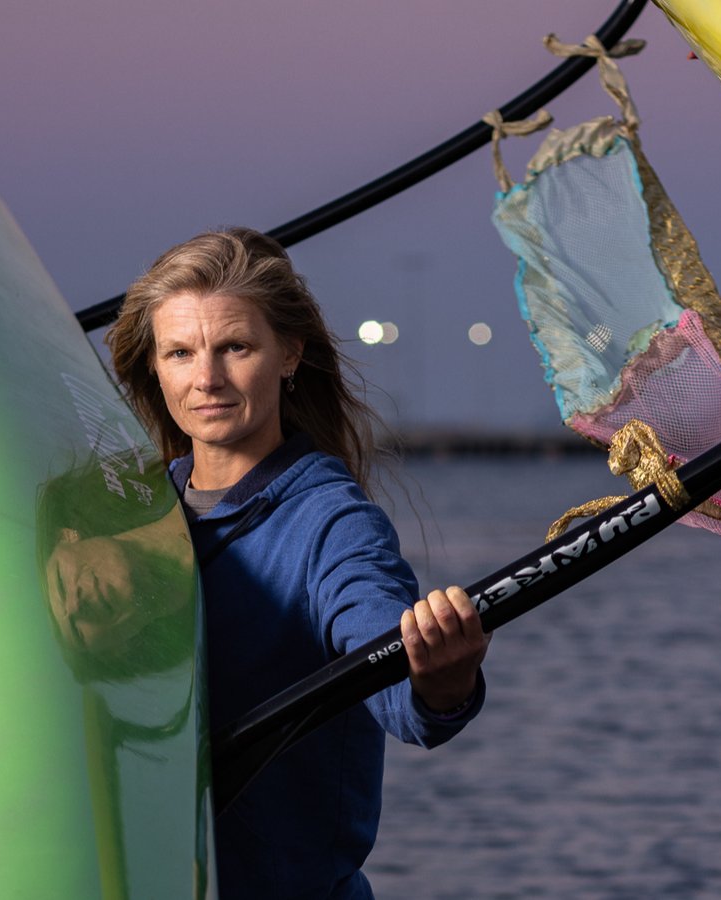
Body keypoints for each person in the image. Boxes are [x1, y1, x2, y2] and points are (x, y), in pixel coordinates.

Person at [106, 227, 492, 900]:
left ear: (289, 353)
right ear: (156, 367)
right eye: (180, 352)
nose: (206, 379)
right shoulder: (133, 511)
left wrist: (440, 681)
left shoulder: (333, 525)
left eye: (236, 347)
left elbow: (395, 678)